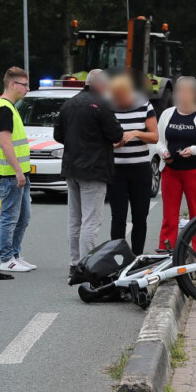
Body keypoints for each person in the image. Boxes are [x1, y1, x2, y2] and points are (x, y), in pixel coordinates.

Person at [54, 69, 124, 284]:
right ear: (101, 86)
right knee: (91, 222)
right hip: (94, 170)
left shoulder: (69, 104)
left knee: (74, 220)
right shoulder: (101, 105)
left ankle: (74, 265)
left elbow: (58, 135)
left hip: (71, 170)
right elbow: (117, 135)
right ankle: (86, 267)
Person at [153, 76, 196, 256]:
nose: (180, 95)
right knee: (169, 216)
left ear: (194, 94)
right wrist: (163, 152)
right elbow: (157, 141)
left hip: (195, 172)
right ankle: (166, 252)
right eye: (178, 91)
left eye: (185, 91)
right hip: (171, 172)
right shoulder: (167, 114)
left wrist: (193, 150)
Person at [0, 67, 36, 273]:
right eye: (24, 85)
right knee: (10, 217)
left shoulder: (10, 107)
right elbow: (6, 143)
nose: (27, 88)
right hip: (9, 174)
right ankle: (6, 258)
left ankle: (15, 254)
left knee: (23, 217)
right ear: (13, 85)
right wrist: (17, 171)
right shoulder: (4, 109)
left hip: (18, 173)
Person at [107, 74, 158, 256]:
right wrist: (114, 143)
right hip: (117, 169)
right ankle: (117, 259)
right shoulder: (108, 106)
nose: (120, 101)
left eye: (123, 97)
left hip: (140, 169)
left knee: (140, 216)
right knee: (118, 217)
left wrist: (137, 133)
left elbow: (154, 136)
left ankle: (136, 257)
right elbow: (102, 136)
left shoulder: (144, 105)